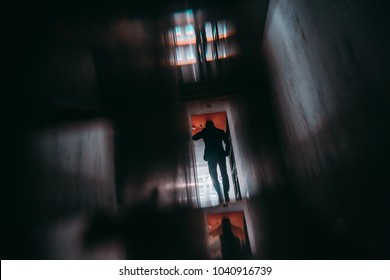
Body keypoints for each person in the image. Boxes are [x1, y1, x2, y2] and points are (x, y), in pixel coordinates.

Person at [192, 120, 230, 204]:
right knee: (224, 173)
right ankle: (226, 193)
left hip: (210, 156)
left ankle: (219, 193)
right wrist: (226, 152)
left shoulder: (205, 132)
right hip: (220, 154)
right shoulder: (220, 131)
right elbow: (227, 142)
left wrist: (203, 131)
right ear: (213, 125)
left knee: (213, 175)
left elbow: (194, 138)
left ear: (206, 126)